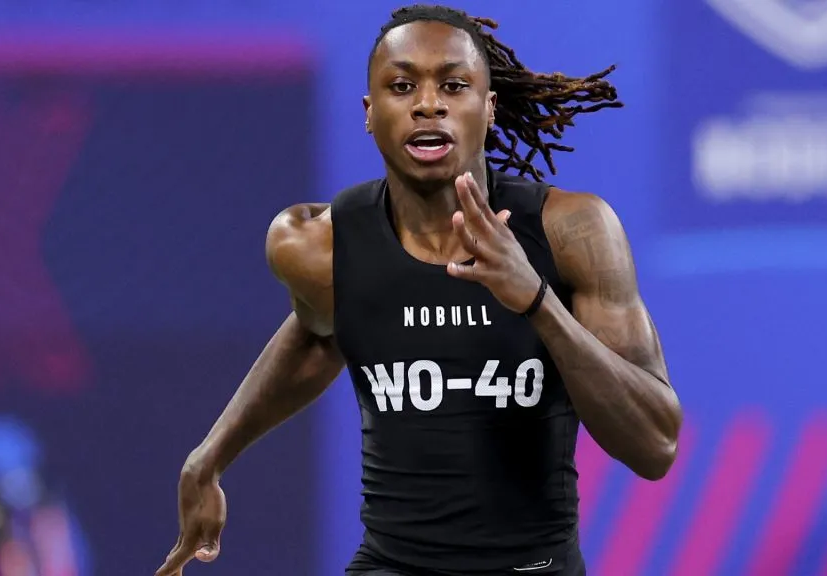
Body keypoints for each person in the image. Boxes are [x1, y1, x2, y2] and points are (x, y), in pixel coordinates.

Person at [155, 4, 683, 575]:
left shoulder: (571, 232)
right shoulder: (315, 246)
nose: (427, 104)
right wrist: (209, 458)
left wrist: (537, 301)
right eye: (402, 85)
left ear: (488, 106)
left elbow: (654, 445)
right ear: (369, 111)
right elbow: (316, 336)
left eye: (453, 86)